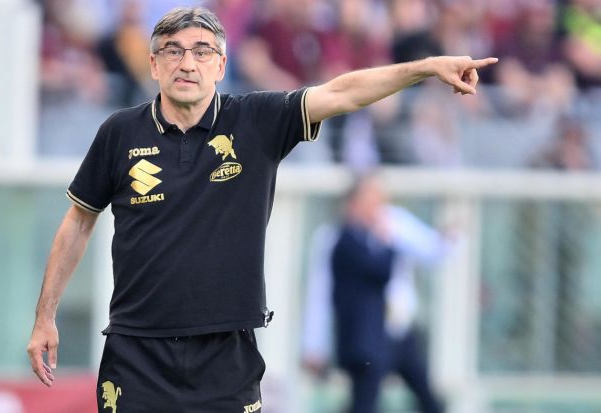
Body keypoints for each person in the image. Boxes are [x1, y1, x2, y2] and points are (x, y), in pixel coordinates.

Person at [26, 6, 497, 412]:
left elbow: (342, 91)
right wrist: (45, 316)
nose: (187, 62)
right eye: (172, 50)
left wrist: (426, 66)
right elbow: (78, 221)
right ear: (153, 64)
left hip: (225, 355)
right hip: (137, 354)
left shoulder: (254, 120)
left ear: (221, 64)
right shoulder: (119, 132)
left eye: (202, 50)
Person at [302, 174, 450, 413]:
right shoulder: (343, 240)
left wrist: (448, 239)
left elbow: (430, 248)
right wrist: (313, 345)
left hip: (397, 333)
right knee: (365, 401)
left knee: (426, 397)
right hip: (365, 337)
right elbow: (321, 294)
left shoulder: (390, 226)